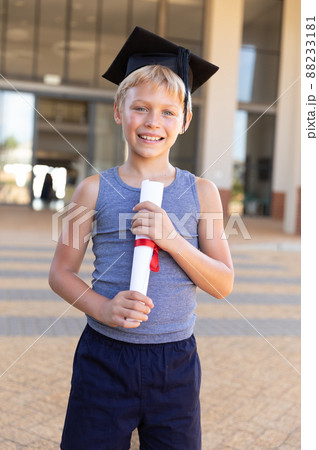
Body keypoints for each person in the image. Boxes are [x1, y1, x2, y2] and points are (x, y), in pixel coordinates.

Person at [49, 26, 234, 450]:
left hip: (175, 363)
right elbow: (60, 273)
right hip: (105, 357)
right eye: (141, 108)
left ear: (185, 121)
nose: (153, 122)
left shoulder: (202, 193)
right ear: (119, 110)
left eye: (169, 112)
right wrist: (103, 307)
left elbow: (222, 284)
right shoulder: (92, 191)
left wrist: (172, 239)